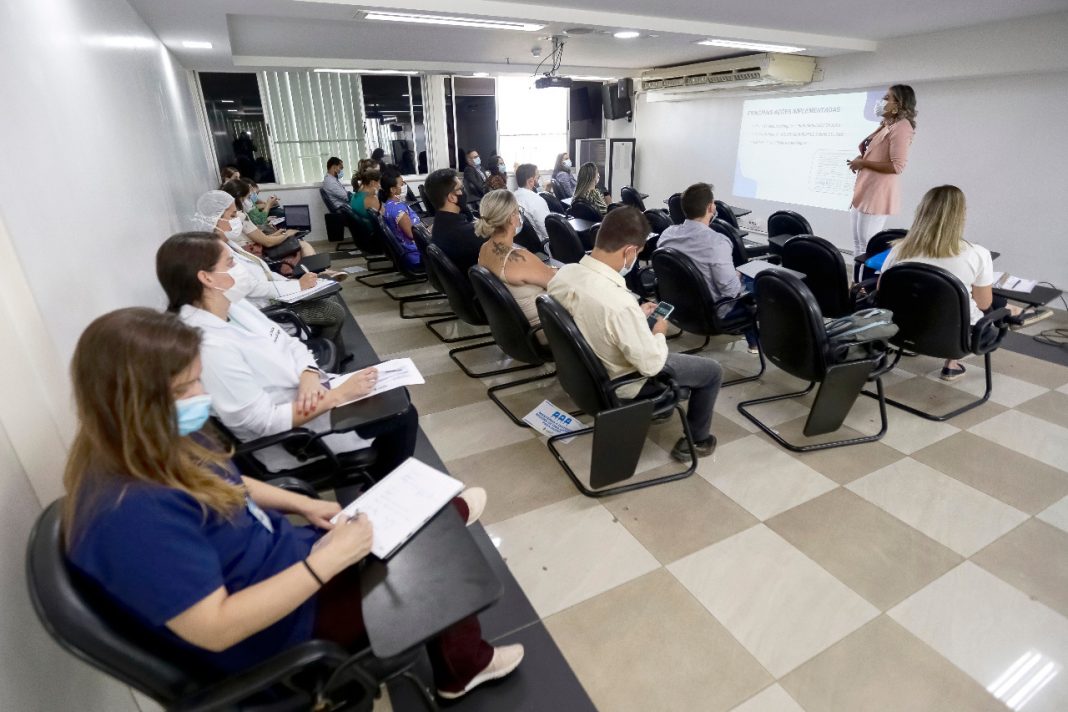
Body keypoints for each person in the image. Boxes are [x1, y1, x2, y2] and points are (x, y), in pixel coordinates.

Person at [62, 307, 522, 699]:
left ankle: (451, 560)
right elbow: (217, 628)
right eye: (186, 389)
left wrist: (303, 506)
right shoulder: (131, 516)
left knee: (432, 516)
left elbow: (227, 480)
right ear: (133, 401)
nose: (201, 398)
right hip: (287, 627)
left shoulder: (145, 443)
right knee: (436, 542)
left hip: (290, 558)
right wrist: (328, 561)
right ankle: (462, 667)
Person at [157, 232, 407, 475]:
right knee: (401, 414)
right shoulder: (208, 346)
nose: (239, 267)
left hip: (310, 394)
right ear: (207, 278)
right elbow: (261, 423)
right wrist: (338, 396)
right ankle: (384, 488)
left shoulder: (233, 304)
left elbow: (292, 344)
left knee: (395, 394)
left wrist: (309, 374)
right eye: (230, 262)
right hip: (295, 439)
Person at [548, 207, 723, 462]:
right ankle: (697, 440)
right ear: (630, 251)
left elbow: (592, 317)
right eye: (638, 253)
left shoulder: (565, 274)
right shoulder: (618, 303)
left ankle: (661, 411)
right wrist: (659, 332)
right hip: (624, 383)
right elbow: (652, 364)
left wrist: (636, 315)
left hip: (582, 377)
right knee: (711, 371)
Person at [879, 185, 1032, 381]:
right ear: (961, 216)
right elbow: (984, 305)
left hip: (899, 331)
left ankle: (1013, 309)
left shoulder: (899, 250)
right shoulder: (977, 254)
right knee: (968, 307)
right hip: (956, 338)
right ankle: (951, 364)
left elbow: (882, 291)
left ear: (921, 211)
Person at [191, 191, 346, 345]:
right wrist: (297, 285)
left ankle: (334, 348)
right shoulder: (216, 255)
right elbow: (252, 287)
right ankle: (319, 352)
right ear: (216, 220)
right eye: (232, 216)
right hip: (269, 311)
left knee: (328, 296)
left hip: (275, 297)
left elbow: (264, 273)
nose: (237, 219)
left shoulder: (228, 245)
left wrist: (290, 283)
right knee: (334, 312)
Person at [656, 183, 759, 353]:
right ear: (711, 207)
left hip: (677, 308)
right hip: (713, 314)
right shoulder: (717, 242)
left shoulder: (668, 234)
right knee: (760, 281)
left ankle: (753, 341)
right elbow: (731, 291)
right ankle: (756, 342)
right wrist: (738, 275)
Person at [849, 85, 917, 257]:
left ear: (899, 104)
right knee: (858, 243)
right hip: (864, 190)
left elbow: (897, 166)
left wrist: (863, 163)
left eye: (888, 98)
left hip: (876, 193)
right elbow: (874, 154)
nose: (881, 101)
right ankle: (858, 282)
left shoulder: (902, 127)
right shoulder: (887, 124)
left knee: (867, 246)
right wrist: (861, 159)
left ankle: (865, 283)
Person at [476, 190, 556, 328]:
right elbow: (557, 283)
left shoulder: (484, 248)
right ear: (512, 217)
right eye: (517, 211)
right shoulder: (519, 259)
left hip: (515, 328)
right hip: (546, 327)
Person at [425, 168, 482, 274]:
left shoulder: (438, 223)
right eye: (461, 188)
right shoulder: (467, 233)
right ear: (452, 197)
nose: (464, 192)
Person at [379, 170, 422, 270]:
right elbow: (414, 235)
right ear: (393, 190)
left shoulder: (388, 205)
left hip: (409, 249)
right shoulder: (399, 211)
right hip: (415, 254)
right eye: (402, 184)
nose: (404, 186)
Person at [513, 164, 551, 245]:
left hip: (523, 242)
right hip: (542, 244)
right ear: (530, 181)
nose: (539, 177)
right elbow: (547, 231)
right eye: (537, 176)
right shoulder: (537, 200)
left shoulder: (512, 197)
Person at [349, 167, 382, 233]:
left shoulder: (354, 196)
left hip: (362, 233)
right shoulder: (370, 199)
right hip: (375, 233)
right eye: (379, 183)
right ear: (372, 183)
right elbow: (385, 216)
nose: (380, 186)